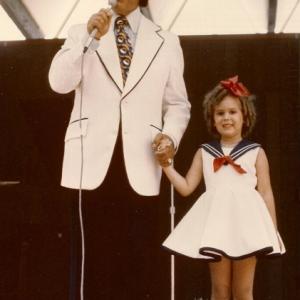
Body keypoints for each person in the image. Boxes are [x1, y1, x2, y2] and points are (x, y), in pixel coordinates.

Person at [48, 0, 191, 299]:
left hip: (142, 160)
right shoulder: (80, 32)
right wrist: (89, 40)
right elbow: (59, 83)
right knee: (90, 263)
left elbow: (178, 104)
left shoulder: (166, 40)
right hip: (90, 162)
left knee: (136, 262)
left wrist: (170, 137)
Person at [154, 75, 285, 300]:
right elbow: (186, 187)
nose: (226, 117)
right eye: (220, 113)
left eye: (232, 112)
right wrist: (166, 165)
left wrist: (271, 230)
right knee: (220, 290)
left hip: (247, 227)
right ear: (212, 118)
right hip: (217, 227)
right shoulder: (205, 152)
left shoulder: (256, 151)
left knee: (243, 291)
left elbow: (265, 192)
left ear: (245, 116)